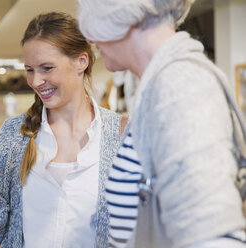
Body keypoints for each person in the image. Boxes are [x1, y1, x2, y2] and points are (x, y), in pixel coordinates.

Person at [0, 12, 122, 248]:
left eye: (47, 68)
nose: (36, 81)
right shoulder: (14, 133)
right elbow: (1, 221)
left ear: (82, 61)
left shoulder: (118, 132)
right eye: (29, 70)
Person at [77, 0, 246, 247]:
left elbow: (213, 237)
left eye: (93, 19)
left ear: (122, 14)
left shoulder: (180, 86)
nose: (90, 38)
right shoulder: (161, 85)